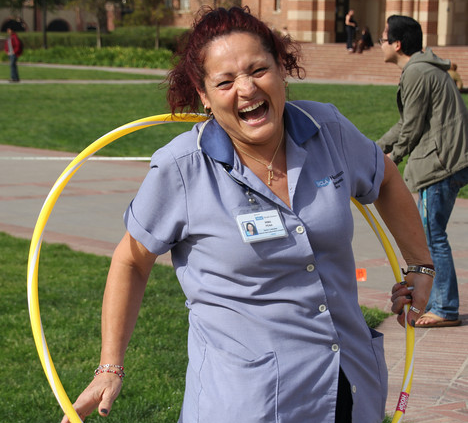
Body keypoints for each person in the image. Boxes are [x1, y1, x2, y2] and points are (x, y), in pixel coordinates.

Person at [62, 7, 433, 423]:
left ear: (281, 69)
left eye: (259, 69)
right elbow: (131, 260)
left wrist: (420, 264)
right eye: (224, 81)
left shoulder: (327, 129)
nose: (246, 89)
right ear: (203, 95)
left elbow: (384, 177)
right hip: (245, 402)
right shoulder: (182, 168)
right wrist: (110, 366)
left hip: (346, 386)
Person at [377, 15, 468, 328]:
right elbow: (407, 122)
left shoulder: (416, 71)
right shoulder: (422, 68)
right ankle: (444, 305)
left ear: (397, 44)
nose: (380, 42)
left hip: (440, 163)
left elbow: (412, 127)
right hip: (446, 159)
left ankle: (445, 307)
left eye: (384, 37)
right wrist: (377, 149)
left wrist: (394, 158)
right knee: (432, 234)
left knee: (431, 238)